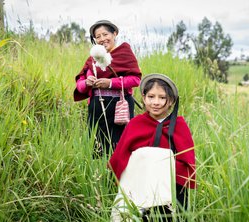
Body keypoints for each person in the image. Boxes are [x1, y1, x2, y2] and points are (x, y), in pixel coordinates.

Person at [109, 73, 196, 220]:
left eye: (162, 98)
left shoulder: (179, 126)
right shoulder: (135, 124)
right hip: (139, 186)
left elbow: (187, 163)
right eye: (151, 97)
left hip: (171, 188)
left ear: (171, 101)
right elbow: (120, 157)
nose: (156, 102)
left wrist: (161, 165)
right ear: (143, 98)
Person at [73, 20, 142, 156]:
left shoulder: (124, 53)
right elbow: (80, 87)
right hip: (97, 109)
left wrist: (110, 83)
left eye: (105, 34)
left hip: (120, 109)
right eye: (97, 37)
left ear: (114, 34)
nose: (102, 39)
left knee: (120, 147)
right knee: (96, 148)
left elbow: (135, 79)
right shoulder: (92, 59)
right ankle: (99, 176)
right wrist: (87, 83)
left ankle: (118, 176)